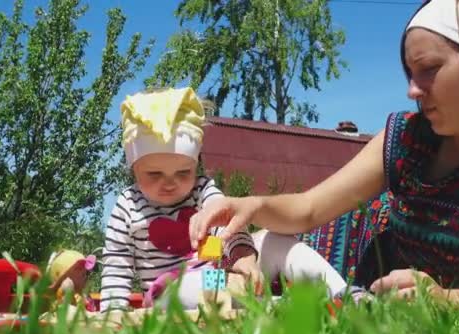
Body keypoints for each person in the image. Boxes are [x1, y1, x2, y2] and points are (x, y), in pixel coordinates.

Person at [189, 0, 459, 303]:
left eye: (428, 70)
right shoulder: (407, 136)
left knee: (229, 286)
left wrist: (446, 298)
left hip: (341, 287)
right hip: (295, 252)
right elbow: (310, 208)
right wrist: (252, 205)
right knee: (216, 277)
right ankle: (173, 296)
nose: (412, 90)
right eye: (409, 73)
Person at [100, 87, 347, 312]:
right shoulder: (127, 205)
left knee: (276, 240)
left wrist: (242, 254)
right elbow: (117, 264)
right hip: (169, 289)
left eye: (184, 172)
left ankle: (345, 294)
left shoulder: (203, 190)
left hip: (224, 274)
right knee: (190, 286)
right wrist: (113, 313)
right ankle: (271, 306)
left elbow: (230, 223)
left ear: (195, 163)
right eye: (154, 174)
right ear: (134, 167)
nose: (169, 182)